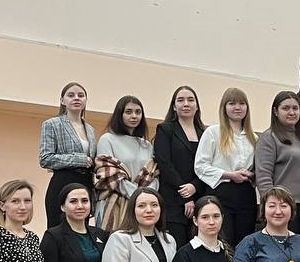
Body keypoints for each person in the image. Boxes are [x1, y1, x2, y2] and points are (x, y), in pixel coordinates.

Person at [195, 87, 257, 247]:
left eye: (242, 103)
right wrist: (229, 174)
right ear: (224, 107)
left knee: (245, 241)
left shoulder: (254, 137)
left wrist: (251, 175)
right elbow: (200, 166)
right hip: (221, 192)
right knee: (224, 240)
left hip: (246, 194)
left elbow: (258, 168)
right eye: (232, 103)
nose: (237, 107)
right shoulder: (213, 132)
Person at [255, 90, 300, 240]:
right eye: (286, 108)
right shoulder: (269, 138)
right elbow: (263, 176)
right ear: (275, 111)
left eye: (295, 108)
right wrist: (273, 207)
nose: (292, 112)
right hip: (285, 207)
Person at [94, 95, 155, 231]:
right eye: (128, 112)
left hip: (142, 205)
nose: (134, 116)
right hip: (114, 202)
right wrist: (137, 194)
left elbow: (153, 174)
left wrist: (146, 196)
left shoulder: (147, 145)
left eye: (138, 112)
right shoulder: (107, 139)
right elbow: (107, 174)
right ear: (119, 114)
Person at [40, 82, 96, 228]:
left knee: (80, 229)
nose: (76, 98)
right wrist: (79, 159)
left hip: (85, 184)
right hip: (63, 182)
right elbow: (46, 159)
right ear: (62, 100)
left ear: (85, 100)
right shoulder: (52, 124)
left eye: (81, 95)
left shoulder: (90, 130)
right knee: (59, 230)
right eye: (71, 95)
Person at [154, 85, 207, 239]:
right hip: (173, 200)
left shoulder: (205, 134)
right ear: (174, 106)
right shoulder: (165, 129)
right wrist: (186, 194)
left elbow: (208, 166)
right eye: (180, 100)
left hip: (200, 199)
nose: (186, 104)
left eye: (190, 100)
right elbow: (165, 164)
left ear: (197, 106)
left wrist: (195, 186)